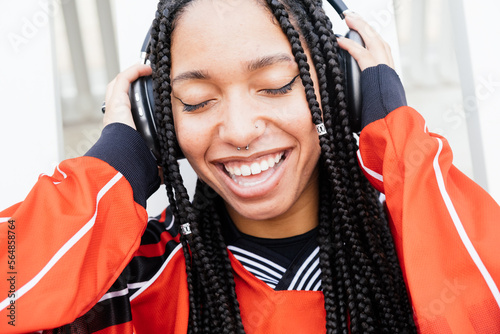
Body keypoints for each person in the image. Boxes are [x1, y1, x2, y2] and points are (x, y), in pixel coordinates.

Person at [1, 0, 499, 333]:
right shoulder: (131, 276)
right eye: (196, 101)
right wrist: (111, 171)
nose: (239, 131)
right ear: (158, 119)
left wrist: (398, 141)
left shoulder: (414, 245)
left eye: (278, 85)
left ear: (342, 93)